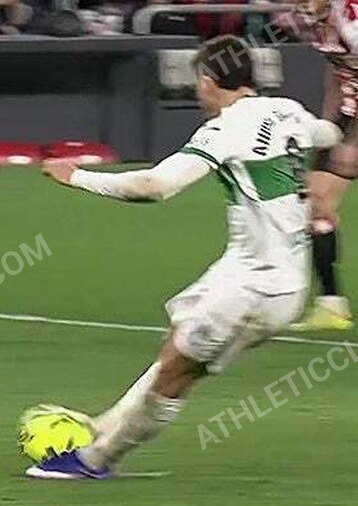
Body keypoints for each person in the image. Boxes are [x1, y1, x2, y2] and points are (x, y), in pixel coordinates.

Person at [26, 35, 342, 480]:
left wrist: (76, 176)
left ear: (208, 81)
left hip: (258, 285)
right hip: (265, 272)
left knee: (177, 373)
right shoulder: (286, 110)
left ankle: (96, 460)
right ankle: (105, 425)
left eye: (199, 83)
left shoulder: (226, 129)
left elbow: (155, 186)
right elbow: (328, 132)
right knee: (178, 343)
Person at [287, 0, 356, 331]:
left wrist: (346, 131)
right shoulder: (315, 14)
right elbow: (338, 70)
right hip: (349, 112)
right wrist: (328, 125)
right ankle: (331, 306)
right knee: (315, 202)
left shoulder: (351, 16)